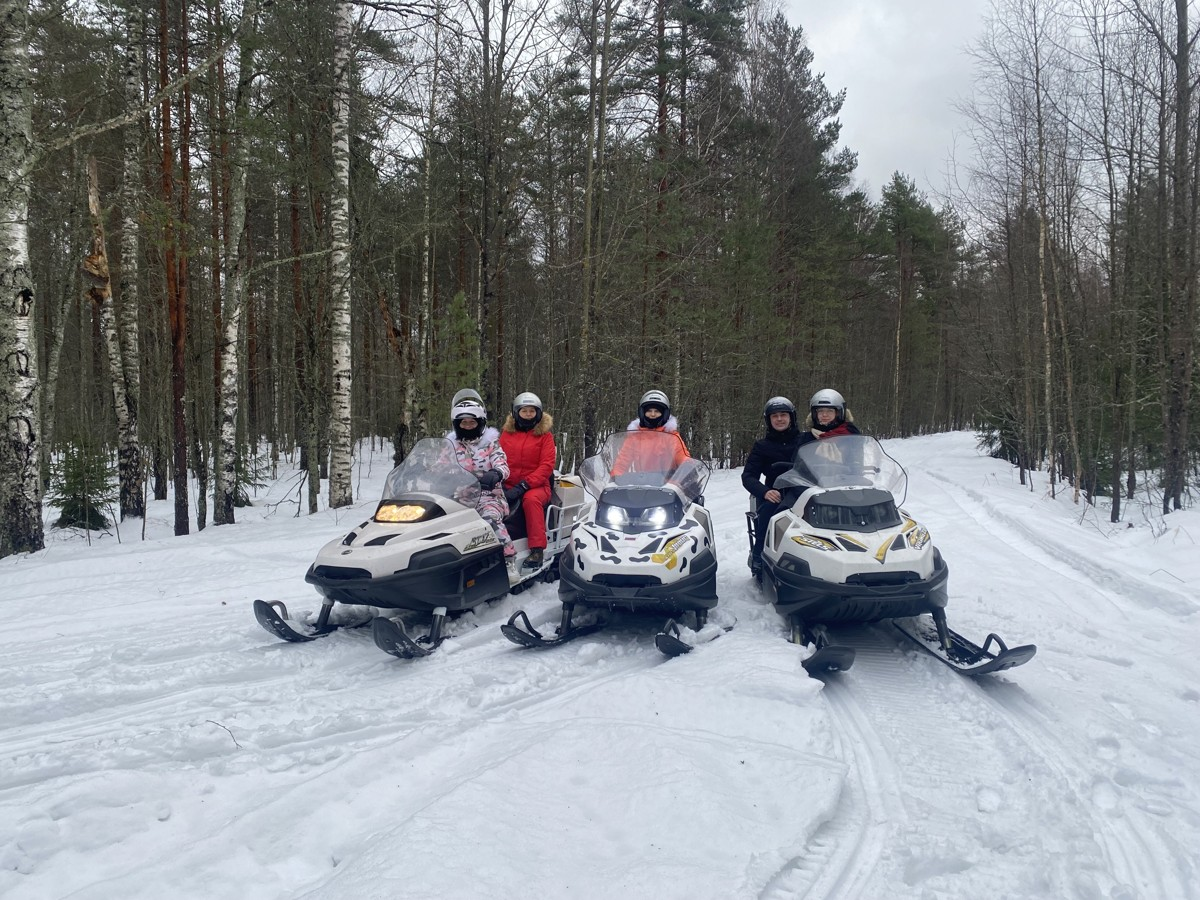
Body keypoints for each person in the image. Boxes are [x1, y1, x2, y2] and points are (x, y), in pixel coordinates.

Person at [446, 398, 516, 568]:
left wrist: (496, 473)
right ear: (457, 424)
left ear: (480, 422)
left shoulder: (490, 444)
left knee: (489, 518)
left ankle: (508, 560)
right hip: (457, 496)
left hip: (489, 496)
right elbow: (440, 466)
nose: (468, 426)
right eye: (464, 422)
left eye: (472, 422)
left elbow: (502, 464)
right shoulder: (450, 445)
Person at [742, 396, 802, 575]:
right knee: (768, 512)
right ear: (769, 420)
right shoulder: (762, 446)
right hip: (777, 494)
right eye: (774, 416)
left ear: (791, 417)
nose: (779, 419)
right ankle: (759, 556)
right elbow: (748, 476)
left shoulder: (804, 440)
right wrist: (765, 491)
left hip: (804, 490)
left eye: (783, 414)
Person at [499, 391, 556, 570]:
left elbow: (546, 466)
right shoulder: (506, 435)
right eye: (524, 411)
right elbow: (498, 458)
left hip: (537, 485)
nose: (528, 415)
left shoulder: (545, 436)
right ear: (517, 413)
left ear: (538, 413)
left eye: (532, 411)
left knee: (530, 500)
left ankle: (537, 549)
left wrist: (524, 485)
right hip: (509, 483)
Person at [610, 389, 690, 477]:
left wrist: (689, 471)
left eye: (657, 411)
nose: (652, 414)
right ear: (642, 413)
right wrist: (615, 476)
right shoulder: (635, 436)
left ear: (664, 414)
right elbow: (623, 460)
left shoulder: (671, 436)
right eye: (649, 411)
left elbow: (682, 457)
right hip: (641, 484)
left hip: (667, 485)